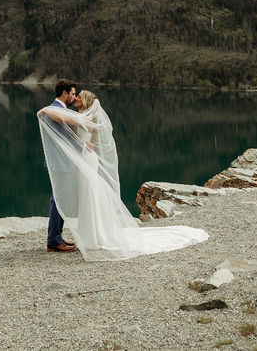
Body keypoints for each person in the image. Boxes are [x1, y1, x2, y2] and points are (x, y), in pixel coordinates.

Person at [37, 88, 209, 261]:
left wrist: (44, 110)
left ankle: (95, 236)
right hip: (84, 158)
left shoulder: (85, 118)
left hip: (87, 160)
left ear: (87, 101)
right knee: (87, 195)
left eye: (79, 96)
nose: (76, 98)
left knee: (90, 195)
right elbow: (84, 134)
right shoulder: (83, 116)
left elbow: (67, 120)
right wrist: (85, 142)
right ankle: (89, 235)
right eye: (75, 95)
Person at [43, 79, 82, 252]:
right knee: (58, 200)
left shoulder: (55, 110)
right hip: (60, 163)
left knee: (59, 200)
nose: (74, 97)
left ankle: (56, 238)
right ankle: (54, 241)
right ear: (64, 93)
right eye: (72, 94)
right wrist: (84, 147)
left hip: (61, 163)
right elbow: (67, 139)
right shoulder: (54, 110)